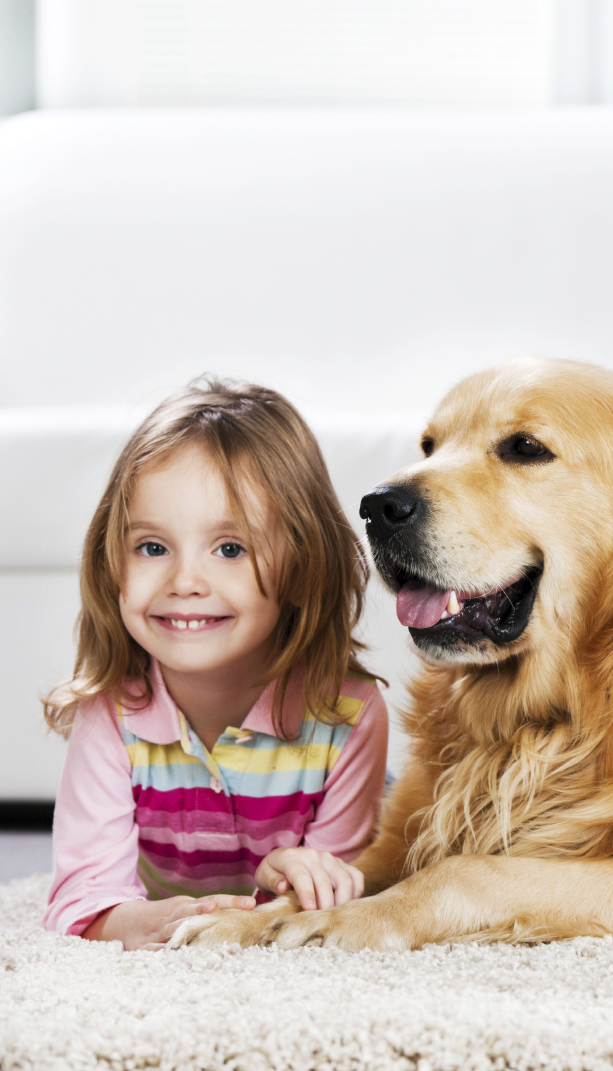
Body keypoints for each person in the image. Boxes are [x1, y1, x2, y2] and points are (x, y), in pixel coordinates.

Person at [42, 378, 389, 948]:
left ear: (301, 569)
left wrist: (295, 873)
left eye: (230, 549)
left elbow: (333, 901)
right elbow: (81, 898)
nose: (184, 583)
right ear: (111, 563)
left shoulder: (348, 714)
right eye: (152, 548)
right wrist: (134, 922)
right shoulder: (110, 713)